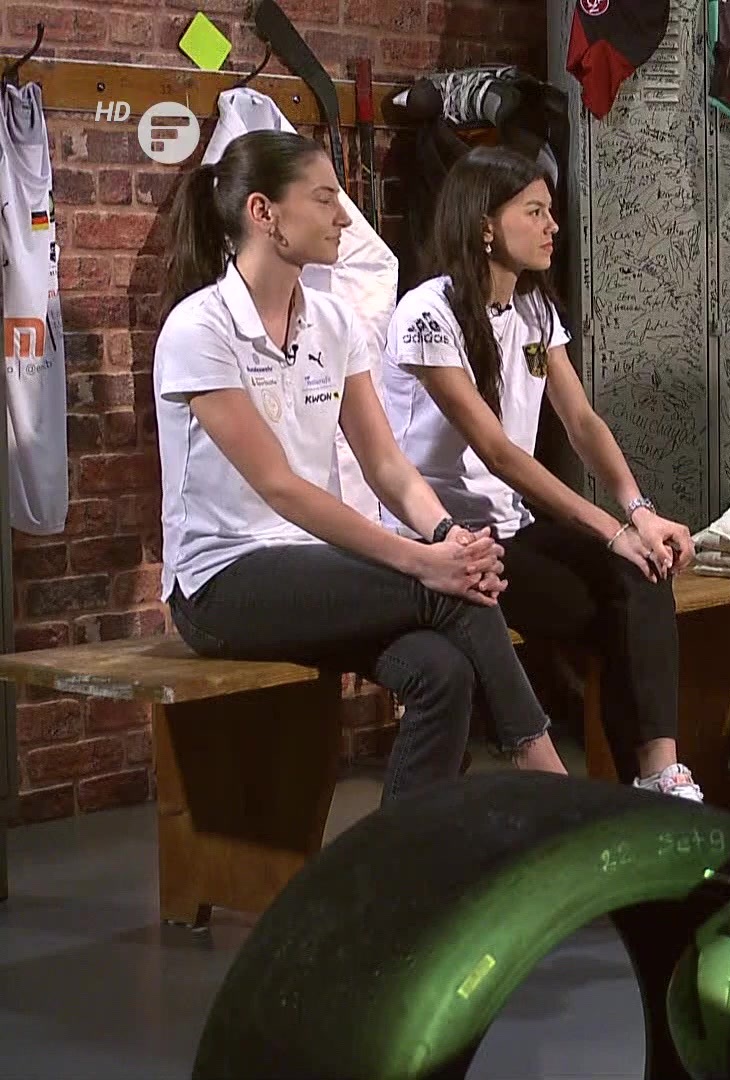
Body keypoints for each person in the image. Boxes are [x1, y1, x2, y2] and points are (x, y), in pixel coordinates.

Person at [155, 130, 571, 805]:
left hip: (310, 566)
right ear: (264, 213)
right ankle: (552, 785)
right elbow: (281, 488)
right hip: (221, 583)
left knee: (443, 671)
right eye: (325, 199)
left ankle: (399, 859)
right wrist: (422, 563)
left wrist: (447, 538)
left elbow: (386, 464)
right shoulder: (198, 329)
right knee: (447, 591)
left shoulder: (332, 320)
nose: (344, 218)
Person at [379, 146, 704, 801]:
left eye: (550, 211)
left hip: (512, 531)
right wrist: (610, 530)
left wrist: (638, 512)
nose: (553, 226)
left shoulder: (534, 309)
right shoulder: (427, 313)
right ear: (485, 225)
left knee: (643, 570)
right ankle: (562, 791)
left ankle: (659, 776)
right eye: (534, 211)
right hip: (439, 543)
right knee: (617, 593)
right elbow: (497, 452)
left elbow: (581, 421)